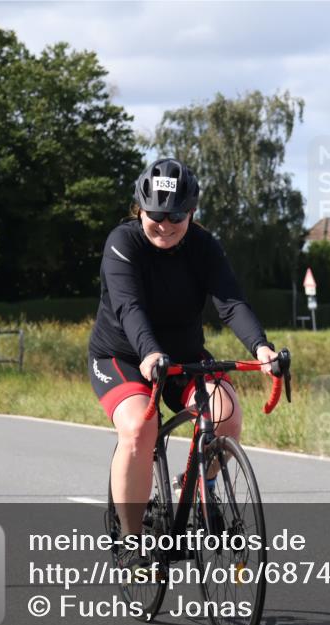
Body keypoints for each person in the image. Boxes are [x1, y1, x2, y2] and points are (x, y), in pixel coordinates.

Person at [88, 157, 277, 546]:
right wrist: (150, 353)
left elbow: (231, 302)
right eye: (156, 214)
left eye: (177, 215)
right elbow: (128, 307)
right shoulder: (122, 244)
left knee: (226, 416)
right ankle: (130, 539)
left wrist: (261, 347)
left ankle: (195, 484)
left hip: (184, 357)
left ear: (192, 212)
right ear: (140, 209)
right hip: (123, 356)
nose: (166, 224)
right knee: (140, 428)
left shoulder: (204, 246)